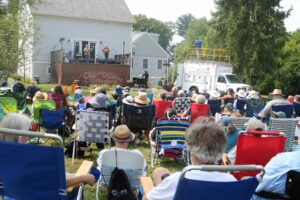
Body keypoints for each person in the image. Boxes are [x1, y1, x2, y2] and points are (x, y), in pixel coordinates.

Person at [143, 124, 236, 200]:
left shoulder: (179, 180)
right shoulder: (231, 181)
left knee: (159, 174)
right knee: (160, 171)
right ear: (221, 151)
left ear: (193, 152)